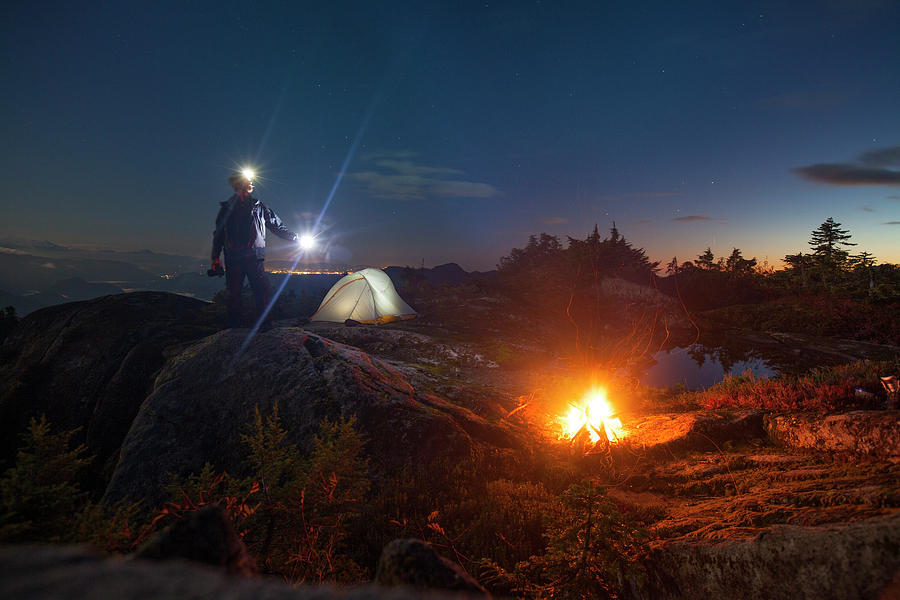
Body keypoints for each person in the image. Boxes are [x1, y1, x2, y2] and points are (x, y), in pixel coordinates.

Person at [210, 171, 298, 328]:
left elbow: (276, 225)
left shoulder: (259, 206)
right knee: (235, 293)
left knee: (261, 290)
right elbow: (219, 235)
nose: (253, 184)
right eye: (249, 181)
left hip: (252, 256)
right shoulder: (227, 209)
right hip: (235, 257)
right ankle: (236, 327)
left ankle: (263, 325)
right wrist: (215, 258)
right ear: (240, 185)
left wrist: (293, 237)